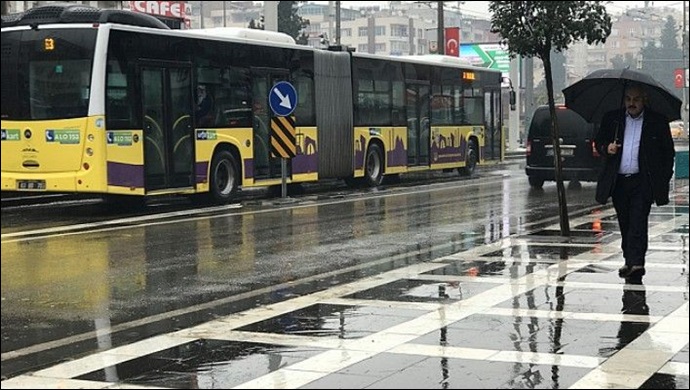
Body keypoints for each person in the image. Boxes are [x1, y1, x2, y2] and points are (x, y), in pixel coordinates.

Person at [594, 83, 675, 280]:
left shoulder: (657, 121)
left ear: (644, 100)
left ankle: (637, 262)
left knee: (638, 222)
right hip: (619, 182)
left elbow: (667, 153)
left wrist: (662, 179)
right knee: (625, 223)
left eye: (636, 99)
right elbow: (598, 142)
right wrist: (607, 148)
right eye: (628, 99)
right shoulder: (613, 119)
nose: (632, 103)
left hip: (642, 182)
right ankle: (629, 260)